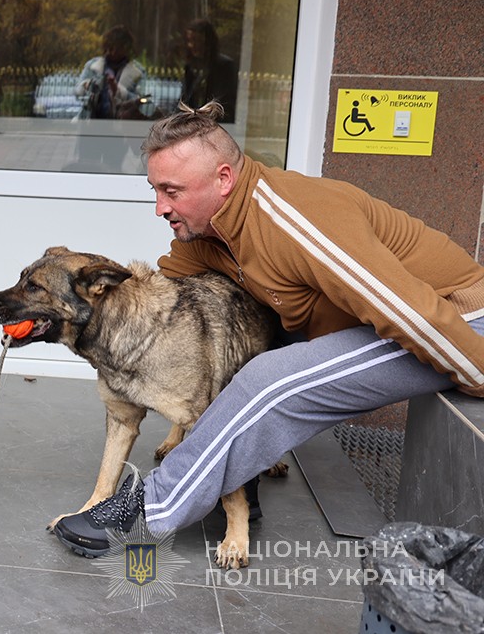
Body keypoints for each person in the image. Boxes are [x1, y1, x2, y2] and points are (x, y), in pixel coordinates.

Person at [51, 101, 484, 561]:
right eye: (155, 190)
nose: (161, 207)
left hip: (460, 320)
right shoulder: (209, 235)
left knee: (269, 380)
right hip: (389, 323)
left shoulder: (297, 217)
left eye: (172, 191)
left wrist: (479, 373)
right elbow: (160, 302)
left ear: (223, 179)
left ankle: (149, 508)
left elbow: (413, 315)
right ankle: (231, 479)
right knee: (245, 355)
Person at [73, 25, 149, 120]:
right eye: (108, 47)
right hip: (90, 125)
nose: (110, 52)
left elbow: (144, 103)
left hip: (124, 127)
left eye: (115, 48)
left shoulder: (138, 72)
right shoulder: (92, 66)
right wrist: (86, 85)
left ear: (126, 48)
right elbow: (77, 92)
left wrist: (118, 91)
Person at [180, 18, 238, 123]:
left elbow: (224, 101)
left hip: (217, 123)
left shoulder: (225, 66)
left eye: (197, 41)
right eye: (190, 41)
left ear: (208, 42)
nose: (192, 45)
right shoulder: (190, 67)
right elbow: (185, 99)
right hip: (193, 123)